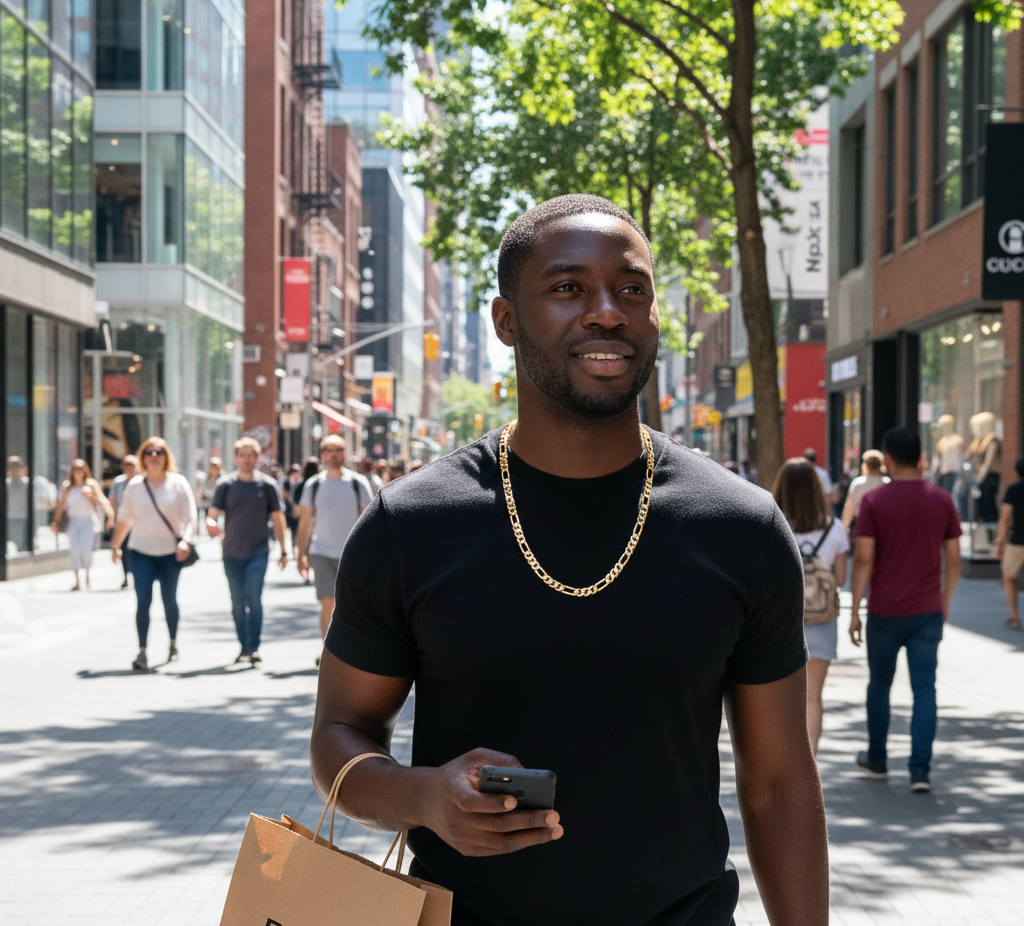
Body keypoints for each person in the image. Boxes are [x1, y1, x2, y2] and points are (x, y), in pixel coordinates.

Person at [312, 195, 827, 926]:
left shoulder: (740, 527)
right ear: (505, 321)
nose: (607, 311)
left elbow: (779, 784)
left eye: (632, 289)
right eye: (567, 288)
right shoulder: (410, 524)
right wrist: (423, 796)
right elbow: (336, 738)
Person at [850, 426, 962, 793]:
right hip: (927, 609)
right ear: (921, 459)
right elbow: (955, 560)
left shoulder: (874, 502)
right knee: (925, 689)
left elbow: (864, 558)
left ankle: (878, 759)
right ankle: (919, 771)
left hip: (884, 610)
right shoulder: (942, 499)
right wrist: (944, 603)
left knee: (879, 684)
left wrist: (854, 609)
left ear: (889, 460)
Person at [772, 458, 849, 757]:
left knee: (780, 697)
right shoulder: (834, 528)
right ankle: (809, 762)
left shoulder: (772, 520)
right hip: (822, 622)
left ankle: (782, 758)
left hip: (780, 620)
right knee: (813, 696)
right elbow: (841, 579)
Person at [111, 437, 197, 671]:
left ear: (166, 457)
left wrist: (186, 541)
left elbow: (190, 517)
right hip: (141, 552)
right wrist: (116, 546)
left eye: (159, 452)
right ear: (143, 458)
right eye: (149, 452)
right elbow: (125, 520)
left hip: (171, 553)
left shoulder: (178, 483)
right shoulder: (135, 486)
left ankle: (172, 642)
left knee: (169, 600)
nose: (154, 456)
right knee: (143, 601)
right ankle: (142, 652)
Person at [206, 437, 288, 665]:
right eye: (242, 455)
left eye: (251, 455)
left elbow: (278, 518)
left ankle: (254, 647)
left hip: (258, 551)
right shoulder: (225, 485)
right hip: (231, 553)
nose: (247, 459)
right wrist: (211, 524)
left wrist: (284, 550)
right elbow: (212, 514)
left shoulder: (267, 485)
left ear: (257, 458)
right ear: (235, 458)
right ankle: (244, 645)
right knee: (237, 602)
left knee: (254, 597)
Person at [296, 435, 372, 645]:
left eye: (338, 449)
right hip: (321, 552)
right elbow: (305, 523)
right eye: (328, 450)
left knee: (350, 606)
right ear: (322, 455)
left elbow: (369, 521)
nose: (333, 454)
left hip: (352, 555)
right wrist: (300, 554)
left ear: (345, 453)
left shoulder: (358, 483)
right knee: (327, 602)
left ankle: (351, 651)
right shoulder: (313, 485)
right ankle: (328, 651)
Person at [52, 459, 114, 591]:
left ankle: (87, 575)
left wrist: (108, 512)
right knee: (74, 551)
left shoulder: (90, 484)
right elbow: (61, 505)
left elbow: (101, 500)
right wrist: (56, 521)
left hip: (88, 521)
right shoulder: (67, 486)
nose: (77, 472)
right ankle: (77, 580)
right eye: (75, 469)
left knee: (86, 551)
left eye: (80, 469)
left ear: (85, 471)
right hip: (73, 521)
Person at [993, 456, 1024, 628]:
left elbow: (1004, 518)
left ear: (1016, 472)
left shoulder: (1014, 489)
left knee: (1008, 576)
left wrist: (999, 543)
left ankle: (1014, 616)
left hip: (1018, 540)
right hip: (1017, 540)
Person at [108, 454, 139, 589]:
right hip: (123, 521)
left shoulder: (141, 482)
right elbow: (113, 501)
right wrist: (112, 518)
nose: (129, 469)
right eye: (126, 466)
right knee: (124, 549)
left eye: (131, 465)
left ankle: (137, 574)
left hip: (138, 522)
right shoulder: (118, 482)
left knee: (136, 549)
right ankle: (126, 575)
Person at [840, 449, 888, 536]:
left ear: (865, 465)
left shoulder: (858, 483)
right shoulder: (887, 483)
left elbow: (849, 508)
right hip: (884, 527)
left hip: (862, 527)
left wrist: (843, 528)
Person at [195, 456, 223, 532]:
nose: (213, 469)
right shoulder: (204, 479)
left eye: (215, 467)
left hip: (216, 505)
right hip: (204, 504)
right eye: (212, 466)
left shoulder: (222, 480)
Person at [280, 463, 303, 556]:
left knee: (296, 531)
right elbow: (284, 494)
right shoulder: (286, 482)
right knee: (289, 530)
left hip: (297, 510)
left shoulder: (300, 483)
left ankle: (295, 548)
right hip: (288, 510)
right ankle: (290, 548)